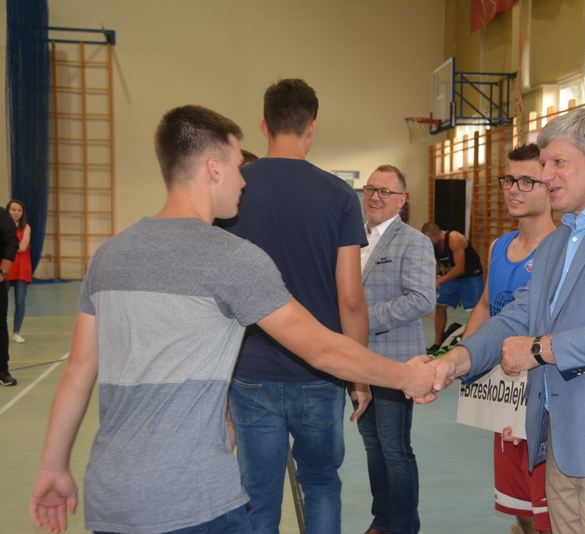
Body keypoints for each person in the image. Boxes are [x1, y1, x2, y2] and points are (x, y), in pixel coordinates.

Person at [28, 105, 436, 534]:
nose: (244, 180)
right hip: (196, 501)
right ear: (213, 169)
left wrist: (53, 467)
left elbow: (78, 372)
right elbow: (321, 348)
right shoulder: (234, 259)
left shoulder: (107, 255)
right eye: (239, 167)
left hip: (113, 500)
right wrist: (405, 377)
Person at [424, 108, 585, 534]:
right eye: (544, 164)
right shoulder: (557, 241)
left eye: (557, 162)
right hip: (558, 444)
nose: (546, 176)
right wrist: (454, 360)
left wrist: (539, 349)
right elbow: (517, 316)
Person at [223, 78, 371, 534]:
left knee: (257, 493)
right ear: (312, 127)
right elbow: (351, 299)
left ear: (264, 126)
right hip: (320, 373)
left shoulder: (234, 190)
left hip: (250, 371)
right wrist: (358, 375)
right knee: (322, 484)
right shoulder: (340, 195)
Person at [462, 143, 555, 534]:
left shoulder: (560, 249)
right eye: (509, 180)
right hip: (503, 392)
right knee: (517, 504)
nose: (514, 189)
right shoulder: (499, 246)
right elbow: (486, 306)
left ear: (549, 185)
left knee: (548, 508)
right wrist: (462, 358)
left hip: (543, 395)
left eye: (527, 181)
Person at [357, 165, 436, 534]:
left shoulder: (413, 241)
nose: (376, 197)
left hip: (396, 363)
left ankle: (404, 526)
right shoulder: (352, 239)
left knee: (394, 449)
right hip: (357, 362)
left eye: (385, 191)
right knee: (372, 446)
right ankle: (382, 520)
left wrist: (361, 320)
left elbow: (422, 299)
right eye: (371, 189)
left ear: (402, 200)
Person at [420, 221, 483, 354]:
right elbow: (436, 265)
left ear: (437, 234)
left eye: (429, 239)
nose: (428, 242)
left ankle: (474, 345)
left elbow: (460, 269)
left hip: (470, 276)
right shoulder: (434, 244)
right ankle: (437, 344)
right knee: (440, 306)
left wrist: (438, 281)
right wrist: (430, 280)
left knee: (476, 310)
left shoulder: (454, 238)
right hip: (452, 277)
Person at [6, 199, 32, 343]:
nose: (16, 213)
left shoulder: (26, 227)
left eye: (19, 210)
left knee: (20, 301)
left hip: (22, 267)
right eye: (13, 209)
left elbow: (23, 246)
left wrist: (7, 247)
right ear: (8, 211)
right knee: (2, 300)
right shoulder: (3, 226)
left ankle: (16, 332)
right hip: (6, 266)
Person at [0, 204, 18, 386]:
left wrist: (2, 272)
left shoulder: (2, 216)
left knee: (0, 324)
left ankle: (2, 371)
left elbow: (12, 243)